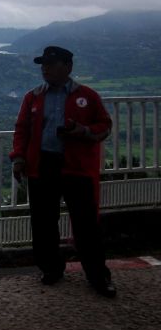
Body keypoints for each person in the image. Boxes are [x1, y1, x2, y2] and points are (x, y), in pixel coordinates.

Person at [10, 45, 115, 297]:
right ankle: (51, 269)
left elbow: (105, 125)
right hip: (41, 166)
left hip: (76, 168)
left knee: (86, 224)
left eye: (50, 64)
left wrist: (83, 131)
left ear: (67, 67)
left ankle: (98, 276)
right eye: (43, 64)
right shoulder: (33, 96)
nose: (44, 68)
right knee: (43, 222)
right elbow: (22, 129)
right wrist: (18, 158)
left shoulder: (87, 96)